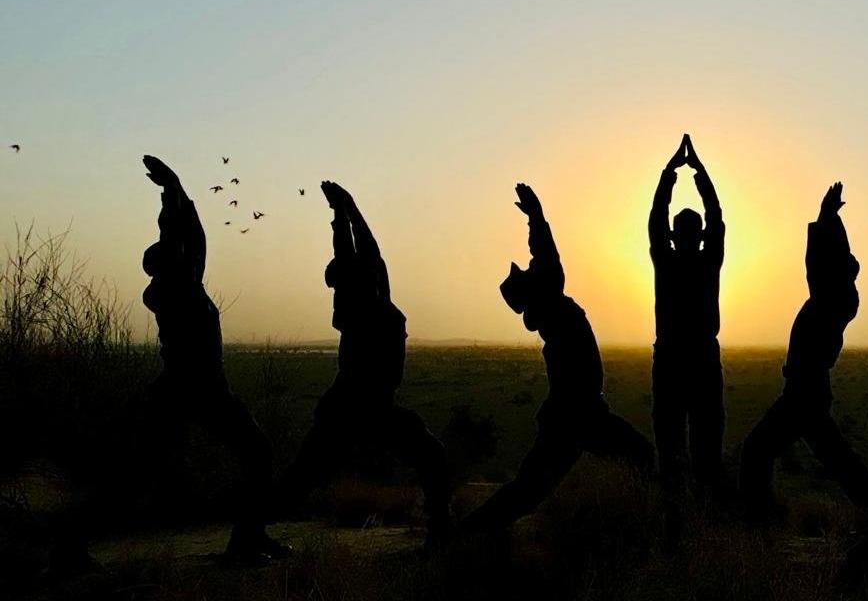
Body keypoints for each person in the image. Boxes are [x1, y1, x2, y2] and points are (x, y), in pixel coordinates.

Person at [462, 184, 654, 531]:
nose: (533, 270)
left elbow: (546, 260)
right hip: (578, 415)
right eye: (528, 274)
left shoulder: (549, 309)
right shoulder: (551, 303)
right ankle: (467, 534)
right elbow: (548, 257)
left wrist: (536, 218)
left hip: (577, 414)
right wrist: (536, 217)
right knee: (637, 457)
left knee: (529, 489)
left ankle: (470, 533)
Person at [276, 181, 452, 551]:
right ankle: (251, 529)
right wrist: (344, 214)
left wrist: (348, 211)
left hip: (368, 405)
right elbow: (359, 252)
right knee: (303, 474)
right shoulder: (360, 308)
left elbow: (369, 252)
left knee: (430, 457)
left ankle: (441, 529)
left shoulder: (373, 300)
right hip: (356, 405)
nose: (374, 271)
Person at [136, 155, 287, 563]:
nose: (187, 253)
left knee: (254, 453)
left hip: (198, 389)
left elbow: (191, 238)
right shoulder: (177, 289)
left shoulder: (178, 285)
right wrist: (173, 193)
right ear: (169, 262)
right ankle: (247, 541)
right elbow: (187, 237)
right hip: (195, 389)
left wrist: (176, 190)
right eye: (177, 252)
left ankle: (249, 538)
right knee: (253, 453)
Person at [739, 183, 868, 531]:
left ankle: (758, 520)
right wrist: (830, 218)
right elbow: (826, 259)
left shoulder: (832, 300)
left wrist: (826, 217)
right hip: (808, 390)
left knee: (757, 451)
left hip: (804, 391)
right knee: (835, 458)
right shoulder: (837, 297)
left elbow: (818, 262)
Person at [649, 134, 726, 516]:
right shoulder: (707, 259)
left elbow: (655, 217)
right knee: (697, 442)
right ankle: (697, 516)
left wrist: (671, 174)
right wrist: (696, 170)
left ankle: (681, 516)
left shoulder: (666, 259)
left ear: (676, 235)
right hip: (694, 358)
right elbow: (716, 215)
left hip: (676, 357)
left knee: (676, 443)